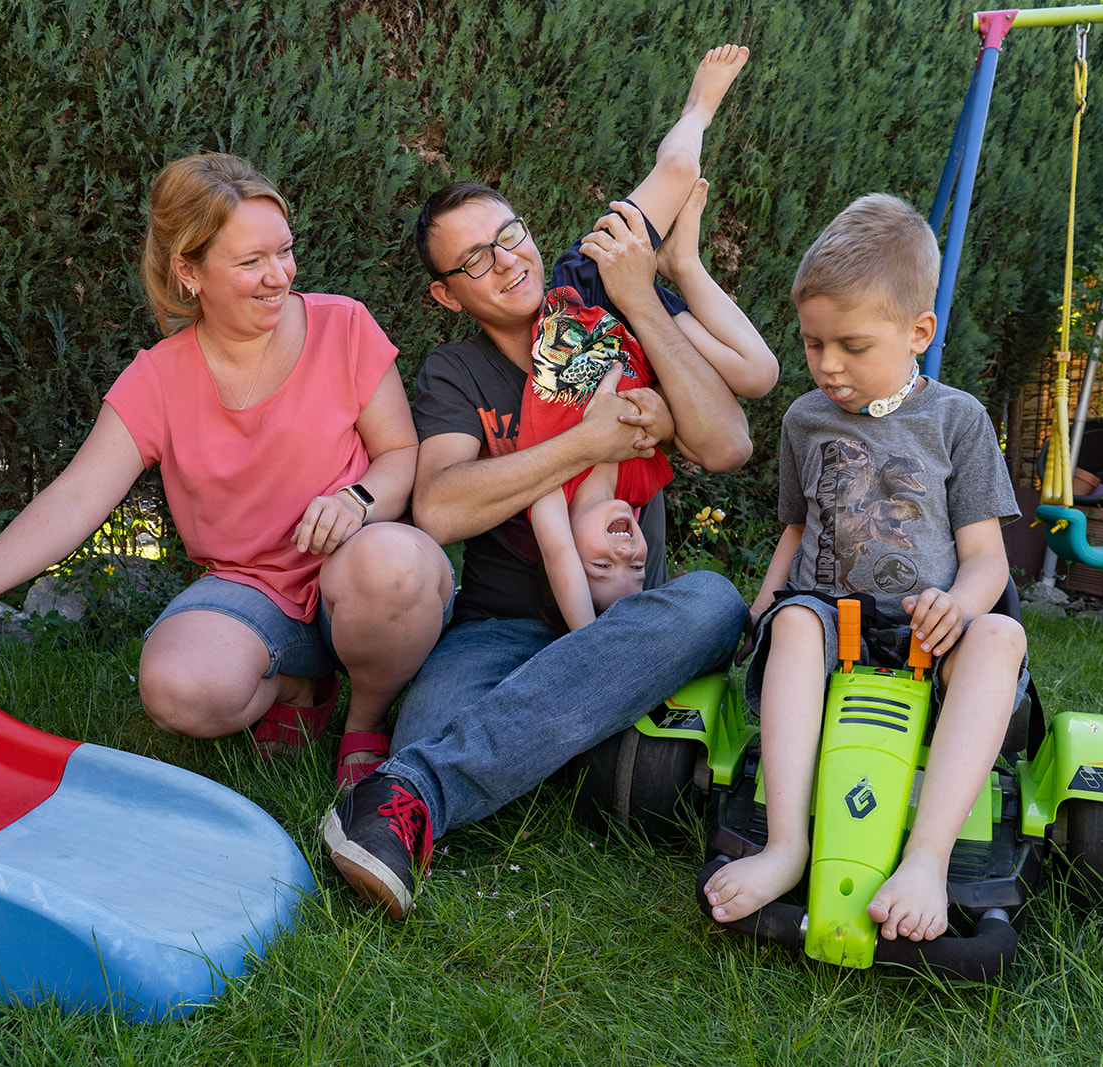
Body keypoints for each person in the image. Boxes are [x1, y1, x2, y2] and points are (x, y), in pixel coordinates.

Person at [320, 50, 777, 921]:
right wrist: (590, 442)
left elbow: (728, 442)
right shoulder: (453, 375)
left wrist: (647, 295)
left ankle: (413, 792)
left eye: (509, 236)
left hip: (628, 617)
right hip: (499, 625)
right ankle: (531, 740)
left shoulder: (608, 301)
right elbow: (444, 507)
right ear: (447, 295)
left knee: (713, 601)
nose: (504, 263)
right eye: (473, 262)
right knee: (427, 727)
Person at [0, 153, 453, 788]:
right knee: (177, 691)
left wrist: (356, 500)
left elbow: (401, 454)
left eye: (284, 251)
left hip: (359, 560)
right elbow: (75, 499)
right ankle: (298, 687)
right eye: (250, 262)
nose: (279, 276)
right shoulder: (157, 379)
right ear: (189, 271)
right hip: (249, 588)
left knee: (397, 566)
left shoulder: (343, 325)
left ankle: (364, 722)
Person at [702, 193, 1028, 943]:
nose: (829, 365)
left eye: (851, 344)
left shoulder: (958, 420)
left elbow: (985, 559)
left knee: (1001, 639)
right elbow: (794, 530)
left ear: (919, 334)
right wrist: (760, 611)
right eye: (814, 344)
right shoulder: (803, 418)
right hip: (829, 620)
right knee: (791, 622)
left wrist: (962, 605)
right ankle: (786, 844)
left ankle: (925, 860)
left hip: (930, 629)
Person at [520, 46, 778, 629]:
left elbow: (561, 560)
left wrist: (594, 642)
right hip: (642, 329)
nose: (628, 555)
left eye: (602, 568)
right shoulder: (643, 475)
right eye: (636, 571)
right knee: (760, 374)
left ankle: (698, 109)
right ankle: (683, 261)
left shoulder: (550, 488)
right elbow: (715, 429)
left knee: (681, 172)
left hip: (589, 294)